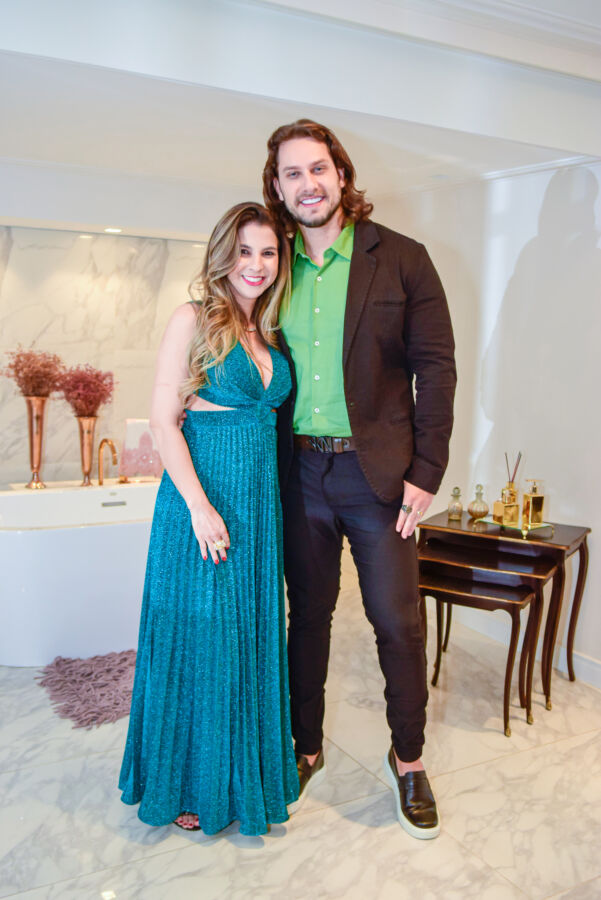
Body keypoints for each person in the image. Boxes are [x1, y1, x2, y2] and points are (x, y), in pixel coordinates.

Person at [262, 120, 456, 839]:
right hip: (297, 473)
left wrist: (427, 471)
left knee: (397, 622)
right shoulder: (271, 266)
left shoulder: (401, 258)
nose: (307, 184)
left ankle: (408, 760)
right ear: (277, 186)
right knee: (307, 617)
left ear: (341, 174)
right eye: (292, 173)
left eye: (318, 168)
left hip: (380, 478)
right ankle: (304, 747)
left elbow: (436, 369)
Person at [119, 202, 299, 835]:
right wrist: (199, 507)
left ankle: (243, 779)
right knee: (201, 641)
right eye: (245, 251)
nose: (257, 264)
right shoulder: (192, 319)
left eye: (268, 252)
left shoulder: (270, 332)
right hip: (201, 502)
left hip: (257, 509)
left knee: (246, 638)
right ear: (224, 254)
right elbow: (164, 422)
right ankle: (189, 782)